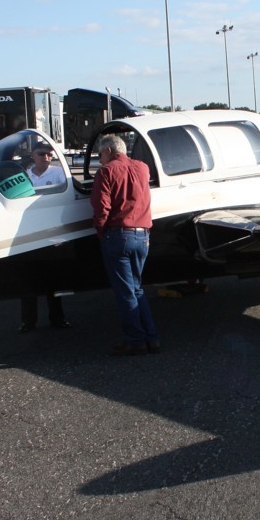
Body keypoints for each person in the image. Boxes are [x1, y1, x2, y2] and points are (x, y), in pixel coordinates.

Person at [91, 134, 159, 356]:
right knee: (137, 289)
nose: (100, 159)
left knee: (125, 293)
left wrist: (101, 231)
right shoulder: (142, 168)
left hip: (118, 235)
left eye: (100, 154)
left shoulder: (106, 171)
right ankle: (152, 338)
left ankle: (135, 340)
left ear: (109, 151)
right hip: (143, 236)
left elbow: (102, 208)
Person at [19, 143, 72, 332]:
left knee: (54, 280)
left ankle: (58, 318)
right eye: (42, 154)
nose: (47, 157)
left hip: (52, 233)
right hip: (28, 233)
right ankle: (28, 322)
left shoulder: (59, 173)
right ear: (32, 155)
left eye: (50, 155)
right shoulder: (25, 176)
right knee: (28, 282)